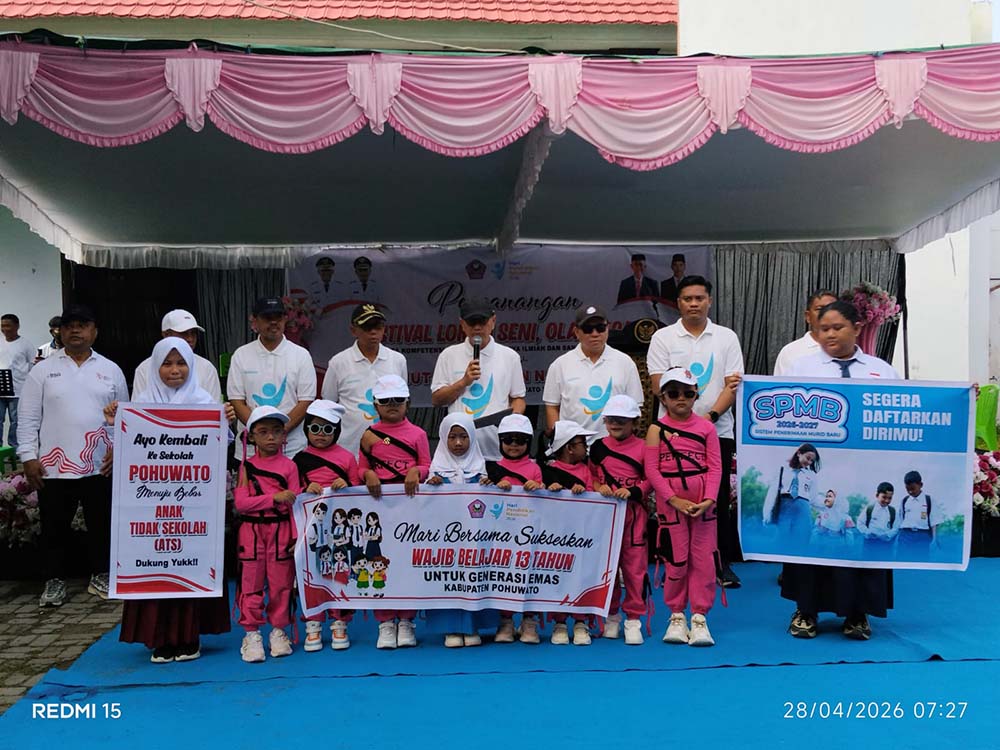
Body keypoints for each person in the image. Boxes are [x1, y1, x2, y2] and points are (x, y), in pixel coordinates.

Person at [109, 337, 234, 663]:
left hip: (193, 505)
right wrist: (113, 421)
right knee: (157, 562)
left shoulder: (204, 401)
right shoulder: (142, 404)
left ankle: (190, 637)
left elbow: (220, 445)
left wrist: (226, 420)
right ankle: (160, 639)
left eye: (181, 363)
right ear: (155, 367)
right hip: (154, 508)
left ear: (191, 366)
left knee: (190, 561)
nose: (174, 370)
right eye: (167, 363)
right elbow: (127, 447)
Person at [785, 299, 900, 641]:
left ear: (857, 328)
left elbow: (908, 409)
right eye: (823, 329)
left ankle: (857, 614)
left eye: (838, 327)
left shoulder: (881, 370)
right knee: (814, 542)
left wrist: (962, 398)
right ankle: (806, 611)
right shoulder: (801, 368)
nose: (830, 334)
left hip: (862, 474)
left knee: (856, 544)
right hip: (822, 471)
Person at [17, 304, 128, 607]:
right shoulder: (42, 370)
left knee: (101, 524)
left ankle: (101, 574)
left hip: (99, 464)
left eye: (82, 324)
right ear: (60, 332)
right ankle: (54, 580)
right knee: (54, 527)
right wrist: (28, 456)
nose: (75, 330)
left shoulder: (111, 370)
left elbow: (123, 417)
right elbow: (27, 417)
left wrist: (118, 450)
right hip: (53, 466)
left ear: (95, 331)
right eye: (69, 326)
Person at [646, 275, 744, 589]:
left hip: (717, 430)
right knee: (672, 498)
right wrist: (684, 423)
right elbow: (658, 385)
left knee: (716, 498)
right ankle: (675, 563)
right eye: (687, 299)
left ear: (709, 301)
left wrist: (708, 419)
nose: (694, 304)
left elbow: (732, 385)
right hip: (671, 434)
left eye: (699, 298)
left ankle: (719, 563)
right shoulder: (663, 337)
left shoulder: (726, 337)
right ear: (678, 303)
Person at [644, 367, 722, 647]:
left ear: (695, 396)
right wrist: (673, 499)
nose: (681, 398)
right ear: (663, 397)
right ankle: (676, 615)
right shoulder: (656, 429)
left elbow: (715, 467)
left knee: (703, 559)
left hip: (703, 506)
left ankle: (699, 617)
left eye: (687, 393)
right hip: (671, 505)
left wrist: (709, 499)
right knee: (676, 558)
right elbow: (652, 470)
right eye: (674, 393)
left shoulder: (707, 428)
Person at [358, 374, 430, 649]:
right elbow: (360, 467)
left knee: (407, 562)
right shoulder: (369, 435)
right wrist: (367, 474)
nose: (392, 405)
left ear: (407, 403)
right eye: (386, 400)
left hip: (410, 508)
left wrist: (416, 471)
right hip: (379, 509)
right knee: (380, 560)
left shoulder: (418, 434)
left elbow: (427, 465)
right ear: (376, 405)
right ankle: (385, 621)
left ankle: (407, 620)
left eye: (398, 400)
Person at [234, 405, 302, 663]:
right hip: (251, 532)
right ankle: (251, 632)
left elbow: (295, 504)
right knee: (250, 584)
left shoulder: (290, 466)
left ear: (284, 435)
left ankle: (278, 630)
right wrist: (274, 498)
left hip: (281, 531)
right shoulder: (246, 467)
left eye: (276, 431)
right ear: (251, 437)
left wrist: (295, 537)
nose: (271, 437)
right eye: (263, 432)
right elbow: (241, 503)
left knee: (281, 584)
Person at [293, 399, 361, 652]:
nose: (320, 434)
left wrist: (348, 485)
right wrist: (304, 488)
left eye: (328, 429)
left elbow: (359, 493)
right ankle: (313, 623)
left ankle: (340, 622)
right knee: (310, 574)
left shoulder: (347, 458)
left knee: (339, 572)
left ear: (337, 431)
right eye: (315, 428)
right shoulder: (299, 459)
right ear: (306, 430)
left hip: (338, 530)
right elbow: (291, 493)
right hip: (309, 530)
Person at [425, 413, 496, 647]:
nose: (458, 443)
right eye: (452, 437)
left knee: (473, 577)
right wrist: (431, 487)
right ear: (443, 437)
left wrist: (488, 488)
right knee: (448, 579)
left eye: (464, 437)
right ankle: (450, 629)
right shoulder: (436, 470)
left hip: (473, 541)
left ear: (472, 438)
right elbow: (425, 508)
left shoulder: (480, 469)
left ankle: (472, 627)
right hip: (445, 542)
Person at [431, 297, 526, 460]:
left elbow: (518, 398)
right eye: (471, 322)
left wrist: (510, 423)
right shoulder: (448, 355)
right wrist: (463, 382)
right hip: (460, 450)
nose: (477, 327)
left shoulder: (510, 357)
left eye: (482, 321)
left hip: (496, 448)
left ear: (493, 321)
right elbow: (437, 399)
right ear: (462, 324)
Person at [589, 394, 650, 645]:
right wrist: (598, 487)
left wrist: (634, 491)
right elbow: (591, 476)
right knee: (608, 569)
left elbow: (651, 479)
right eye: (611, 419)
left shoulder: (644, 447)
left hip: (634, 517)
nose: (615, 424)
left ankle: (633, 619)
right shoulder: (597, 447)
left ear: (634, 422)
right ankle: (611, 616)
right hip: (605, 518)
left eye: (622, 420)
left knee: (635, 569)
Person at [228, 297, 316, 458]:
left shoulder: (301, 355)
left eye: (278, 317)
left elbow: (306, 400)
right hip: (251, 450)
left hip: (291, 448)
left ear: (285, 319)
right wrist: (259, 433)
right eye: (268, 317)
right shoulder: (241, 355)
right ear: (255, 321)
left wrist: (279, 432)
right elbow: (236, 400)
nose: (274, 322)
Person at [543, 304, 643, 444]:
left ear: (608, 328)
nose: (595, 334)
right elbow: (552, 407)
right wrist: (561, 441)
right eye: (588, 329)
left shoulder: (625, 362)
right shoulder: (560, 365)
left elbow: (635, 406)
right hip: (574, 447)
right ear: (576, 332)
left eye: (600, 328)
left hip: (614, 447)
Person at [484, 413, 544, 645]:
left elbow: (545, 498)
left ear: (529, 442)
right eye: (508, 439)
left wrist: (538, 487)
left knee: (530, 575)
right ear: (500, 441)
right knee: (503, 575)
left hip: (529, 533)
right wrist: (490, 485)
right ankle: (506, 621)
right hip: (501, 534)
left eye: (520, 440)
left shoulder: (535, 469)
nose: (514, 445)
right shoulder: (492, 468)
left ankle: (529, 621)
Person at [322, 304, 407, 455]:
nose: (373, 332)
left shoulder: (397, 360)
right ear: (353, 330)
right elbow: (329, 404)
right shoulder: (338, 362)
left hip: (388, 443)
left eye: (378, 327)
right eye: (367, 327)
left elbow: (403, 402)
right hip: (349, 446)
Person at [543, 420, 596, 646]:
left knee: (582, 577)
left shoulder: (586, 471)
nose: (586, 447)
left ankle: (581, 621)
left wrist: (585, 492)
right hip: (557, 539)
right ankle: (560, 622)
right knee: (559, 577)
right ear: (569, 447)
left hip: (582, 537)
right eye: (583, 443)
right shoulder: (548, 471)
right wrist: (552, 490)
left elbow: (595, 498)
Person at [132, 310, 223, 402]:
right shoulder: (144, 369)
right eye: (184, 333)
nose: (190, 339)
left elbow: (214, 406)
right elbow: (138, 408)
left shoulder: (207, 367)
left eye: (193, 333)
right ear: (166, 334)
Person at [761, 443, 822, 554]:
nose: (809, 462)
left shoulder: (811, 475)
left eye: (812, 461)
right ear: (799, 453)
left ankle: (798, 564)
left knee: (801, 540)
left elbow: (813, 498)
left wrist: (828, 505)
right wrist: (767, 514)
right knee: (782, 539)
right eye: (808, 458)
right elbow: (773, 492)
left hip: (803, 510)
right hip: (785, 508)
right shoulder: (783, 469)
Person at [773, 290, 839, 376]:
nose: (826, 314)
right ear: (808, 316)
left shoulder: (847, 350)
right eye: (820, 309)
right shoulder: (790, 352)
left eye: (832, 308)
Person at [0, 313, 37, 449]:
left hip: (18, 390)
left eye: (8, 325)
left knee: (16, 421)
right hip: (1, 388)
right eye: (2, 326)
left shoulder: (25, 344)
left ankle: (14, 448)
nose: (5, 329)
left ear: (17, 326)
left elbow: (33, 365)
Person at [897, 470, 936, 557]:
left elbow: (934, 522)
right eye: (908, 489)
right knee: (903, 559)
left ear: (921, 485)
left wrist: (934, 540)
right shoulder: (904, 501)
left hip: (923, 536)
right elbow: (900, 520)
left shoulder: (929, 500)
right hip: (905, 535)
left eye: (913, 488)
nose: (910, 492)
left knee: (921, 559)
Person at [857, 482, 899, 557]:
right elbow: (860, 523)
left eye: (889, 498)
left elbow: (896, 527)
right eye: (884, 497)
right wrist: (868, 533)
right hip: (870, 544)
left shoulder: (893, 511)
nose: (887, 500)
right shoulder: (870, 509)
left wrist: (887, 535)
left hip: (886, 546)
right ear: (877, 495)